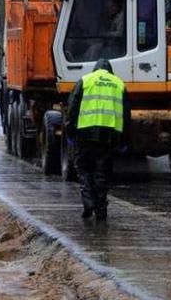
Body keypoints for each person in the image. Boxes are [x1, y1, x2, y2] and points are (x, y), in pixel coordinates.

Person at [64, 58, 129, 221]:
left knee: (82, 167)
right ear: (110, 70)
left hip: (85, 132)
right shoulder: (119, 84)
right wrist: (124, 138)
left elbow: (72, 108)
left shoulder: (85, 81)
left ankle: (88, 202)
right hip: (108, 133)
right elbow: (126, 114)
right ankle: (101, 209)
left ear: (95, 69)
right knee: (102, 171)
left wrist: (69, 131)